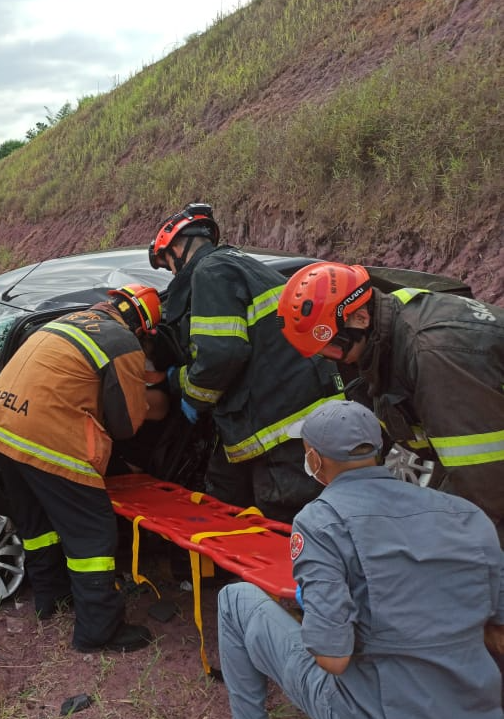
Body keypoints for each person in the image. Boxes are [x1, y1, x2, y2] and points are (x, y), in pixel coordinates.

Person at [217, 399, 504, 719]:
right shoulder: (466, 514)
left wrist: (318, 607)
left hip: (372, 708)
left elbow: (332, 657)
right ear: (377, 449)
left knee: (235, 599)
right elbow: (497, 634)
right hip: (472, 707)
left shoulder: (320, 522)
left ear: (313, 457)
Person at [0, 284, 169, 653]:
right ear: (144, 328)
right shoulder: (123, 341)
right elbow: (127, 424)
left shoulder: (68, 321)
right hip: (47, 437)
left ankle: (51, 599)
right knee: (92, 535)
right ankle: (99, 632)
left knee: (37, 525)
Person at [277, 261, 504, 543]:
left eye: (333, 348)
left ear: (360, 318)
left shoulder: (432, 355)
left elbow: (485, 483)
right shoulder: (385, 327)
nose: (331, 358)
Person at [148, 203, 343, 522]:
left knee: (287, 524)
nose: (171, 274)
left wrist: (188, 392)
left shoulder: (209, 272)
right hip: (299, 418)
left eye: (167, 264)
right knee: (227, 494)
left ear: (178, 247)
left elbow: (221, 354)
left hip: (283, 428)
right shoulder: (241, 265)